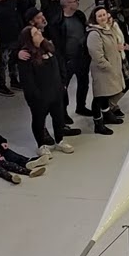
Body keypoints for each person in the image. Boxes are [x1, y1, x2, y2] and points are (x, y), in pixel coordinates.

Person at [16, 23, 76, 156]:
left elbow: (60, 64)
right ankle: (41, 145)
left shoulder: (49, 47)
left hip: (56, 91)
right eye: (35, 33)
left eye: (38, 31)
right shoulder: (26, 56)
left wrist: (63, 84)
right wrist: (36, 95)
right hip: (39, 96)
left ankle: (60, 140)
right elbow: (27, 80)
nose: (39, 34)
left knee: (59, 117)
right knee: (39, 120)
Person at [47, 0, 92, 118]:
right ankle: (63, 113)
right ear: (67, 4)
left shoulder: (79, 15)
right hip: (67, 60)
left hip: (82, 56)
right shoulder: (57, 22)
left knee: (84, 82)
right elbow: (57, 43)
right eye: (74, 1)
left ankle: (81, 106)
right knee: (64, 87)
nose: (77, 2)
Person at [86, 6, 127, 135]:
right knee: (99, 97)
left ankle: (107, 115)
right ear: (95, 18)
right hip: (102, 71)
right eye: (100, 16)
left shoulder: (107, 29)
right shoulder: (94, 34)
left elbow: (112, 46)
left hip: (111, 68)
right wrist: (108, 66)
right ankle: (98, 123)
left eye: (104, 14)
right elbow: (97, 55)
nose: (103, 17)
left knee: (106, 95)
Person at [0, 0, 24, 96]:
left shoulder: (8, 2)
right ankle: (1, 85)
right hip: (5, 37)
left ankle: (14, 80)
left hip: (15, 35)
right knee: (3, 62)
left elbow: (22, 5)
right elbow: (6, 13)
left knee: (13, 60)